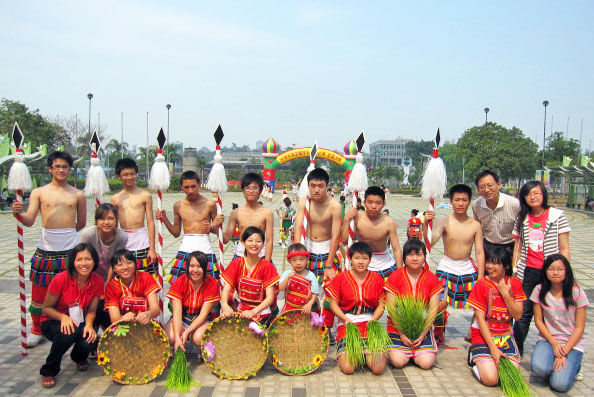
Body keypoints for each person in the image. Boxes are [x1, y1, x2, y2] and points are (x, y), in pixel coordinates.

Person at [12, 151, 86, 347]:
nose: (61, 170)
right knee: (40, 291)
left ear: (70, 169)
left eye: (65, 167)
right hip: (45, 248)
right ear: (50, 169)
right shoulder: (39, 192)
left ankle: (74, 325)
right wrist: (17, 214)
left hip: (70, 248)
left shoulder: (78, 194)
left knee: (72, 290)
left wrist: (66, 234)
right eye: (57, 166)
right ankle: (37, 329)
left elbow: (82, 223)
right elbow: (28, 221)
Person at [512, 181, 571, 356]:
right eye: (529, 194)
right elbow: (518, 245)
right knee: (523, 313)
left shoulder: (557, 216)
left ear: (543, 194)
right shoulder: (522, 217)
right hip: (528, 271)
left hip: (551, 273)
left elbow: (565, 248)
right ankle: (516, 352)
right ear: (524, 198)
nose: (533, 197)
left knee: (553, 313)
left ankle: (563, 352)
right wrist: (515, 269)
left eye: (537, 193)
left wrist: (564, 272)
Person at [424, 184, 485, 344]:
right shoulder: (445, 221)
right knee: (439, 303)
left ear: (469, 201)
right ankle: (438, 331)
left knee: (478, 303)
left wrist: (480, 276)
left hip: (467, 267)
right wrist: (426, 224)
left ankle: (475, 331)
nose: (460, 203)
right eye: (457, 200)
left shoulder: (475, 225)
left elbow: (479, 252)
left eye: (464, 200)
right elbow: (430, 242)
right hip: (447, 266)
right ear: (451, 201)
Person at [39, 243, 104, 388]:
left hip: (80, 321)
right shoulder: (61, 278)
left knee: (91, 338)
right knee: (68, 332)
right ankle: (49, 370)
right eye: (79, 259)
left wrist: (89, 325)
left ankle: (79, 357)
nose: (83, 264)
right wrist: (64, 318)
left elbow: (92, 311)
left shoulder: (97, 280)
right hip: (53, 321)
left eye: (88, 259)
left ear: (94, 261)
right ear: (73, 262)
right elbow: (46, 308)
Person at [467, 245, 526, 387]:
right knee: (491, 380)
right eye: (488, 262)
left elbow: (517, 315)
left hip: (505, 335)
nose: (489, 266)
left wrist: (505, 294)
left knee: (510, 380)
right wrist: (493, 349)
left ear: (506, 266)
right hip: (483, 335)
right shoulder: (481, 284)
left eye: (495, 263)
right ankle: (473, 358)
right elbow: (480, 319)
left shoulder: (515, 283)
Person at [530, 254, 588, 393]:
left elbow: (580, 328)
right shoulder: (539, 290)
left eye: (560, 269)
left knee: (559, 385)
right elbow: (538, 321)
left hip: (572, 343)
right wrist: (554, 343)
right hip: (548, 340)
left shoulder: (577, 292)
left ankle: (576, 367)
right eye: (551, 269)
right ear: (545, 271)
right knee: (539, 369)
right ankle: (556, 366)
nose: (555, 272)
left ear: (566, 271)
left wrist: (564, 352)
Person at [293, 168, 343, 332]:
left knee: (328, 292)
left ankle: (327, 328)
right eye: (313, 185)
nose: (316, 189)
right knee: (306, 288)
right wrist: (296, 256)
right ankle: (307, 324)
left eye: (320, 185)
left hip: (327, 250)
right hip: (307, 249)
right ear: (308, 185)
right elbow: (298, 228)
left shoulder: (335, 206)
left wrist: (329, 265)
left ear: (327, 186)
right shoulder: (304, 202)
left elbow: (336, 235)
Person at [326, 242, 386, 375]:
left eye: (365, 258)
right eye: (357, 258)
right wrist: (344, 318)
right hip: (348, 323)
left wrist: (374, 320)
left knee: (378, 369)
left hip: (370, 324)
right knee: (348, 368)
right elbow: (333, 303)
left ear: (370, 260)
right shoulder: (341, 278)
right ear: (350, 259)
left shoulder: (377, 278)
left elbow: (382, 304)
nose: (361, 262)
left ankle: (364, 354)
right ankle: (356, 352)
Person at [156, 171, 224, 282]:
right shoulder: (178, 205)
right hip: (186, 247)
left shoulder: (209, 204)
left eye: (193, 186)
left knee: (209, 283)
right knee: (180, 283)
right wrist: (164, 219)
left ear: (199, 184)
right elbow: (176, 233)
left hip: (205, 246)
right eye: (186, 187)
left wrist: (212, 227)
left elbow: (217, 230)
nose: (190, 190)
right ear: (181, 187)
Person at [385, 239, 442, 369]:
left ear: (424, 257)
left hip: (423, 326)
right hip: (398, 326)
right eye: (410, 254)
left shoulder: (432, 278)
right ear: (404, 257)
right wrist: (402, 333)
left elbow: (433, 310)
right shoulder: (396, 276)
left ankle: (419, 350)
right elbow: (391, 309)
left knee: (426, 363)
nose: (414, 258)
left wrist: (423, 333)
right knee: (398, 362)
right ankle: (402, 351)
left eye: (419, 254)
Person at [79, 203, 128, 329]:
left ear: (117, 220)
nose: (106, 222)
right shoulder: (88, 235)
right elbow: (83, 260)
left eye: (110, 218)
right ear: (96, 220)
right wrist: (94, 285)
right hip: (90, 276)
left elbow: (115, 263)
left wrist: (106, 286)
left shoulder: (121, 236)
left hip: (110, 277)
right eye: (102, 219)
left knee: (109, 310)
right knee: (92, 310)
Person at [220, 227, 279, 326]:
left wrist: (253, 312)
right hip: (241, 311)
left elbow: (270, 297)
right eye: (250, 240)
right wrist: (225, 305)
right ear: (243, 243)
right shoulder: (236, 263)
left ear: (263, 244)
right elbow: (226, 289)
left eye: (258, 241)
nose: (254, 244)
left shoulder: (267, 266)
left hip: (261, 312)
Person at [342, 186, 403, 279]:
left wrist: (400, 272)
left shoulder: (389, 222)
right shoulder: (356, 217)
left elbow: (396, 249)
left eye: (378, 203)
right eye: (370, 202)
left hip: (385, 264)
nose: (374, 206)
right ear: (364, 202)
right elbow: (345, 241)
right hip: (362, 263)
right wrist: (346, 219)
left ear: (383, 204)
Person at [166, 251, 221, 352]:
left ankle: (205, 350)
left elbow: (203, 315)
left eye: (199, 266)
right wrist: (178, 338)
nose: (195, 270)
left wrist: (187, 332)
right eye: (192, 266)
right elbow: (177, 314)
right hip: (182, 317)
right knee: (171, 337)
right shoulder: (179, 282)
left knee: (197, 338)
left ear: (205, 268)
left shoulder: (211, 283)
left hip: (202, 319)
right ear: (187, 267)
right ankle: (177, 347)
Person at [111, 158, 157, 275]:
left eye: (132, 174)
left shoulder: (145, 195)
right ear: (119, 176)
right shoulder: (116, 198)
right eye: (125, 175)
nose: (129, 177)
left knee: (145, 275)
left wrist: (152, 249)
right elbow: (113, 224)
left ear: (136, 174)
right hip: (123, 239)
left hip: (141, 239)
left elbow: (150, 221)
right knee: (125, 274)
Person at [472, 170, 520, 266]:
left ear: (498, 185)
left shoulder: (514, 204)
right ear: (478, 189)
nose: (486, 190)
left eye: (490, 185)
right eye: (482, 187)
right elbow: (478, 230)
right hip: (489, 247)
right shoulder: (476, 205)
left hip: (510, 247)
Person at [223, 173, 274, 261]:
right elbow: (226, 239)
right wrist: (216, 228)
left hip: (261, 255)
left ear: (260, 190)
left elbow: (269, 240)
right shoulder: (236, 213)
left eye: (255, 188)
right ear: (243, 190)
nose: (251, 191)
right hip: (241, 255)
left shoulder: (267, 213)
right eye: (248, 188)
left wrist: (267, 262)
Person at [104, 250, 161, 325]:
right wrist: (123, 318)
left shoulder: (146, 277)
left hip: (147, 323)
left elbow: (156, 310)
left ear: (135, 264)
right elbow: (114, 319)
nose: (125, 267)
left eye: (129, 263)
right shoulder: (111, 286)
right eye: (120, 265)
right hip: (122, 326)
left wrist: (148, 314)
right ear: (114, 269)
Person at [279, 243, 319, 313]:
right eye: (294, 260)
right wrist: (288, 277)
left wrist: (309, 304)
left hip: (306, 309)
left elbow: (315, 293)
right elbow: (281, 288)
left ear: (307, 259)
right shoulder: (286, 274)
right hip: (289, 309)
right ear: (289, 261)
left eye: (301, 259)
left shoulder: (311, 275)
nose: (298, 263)